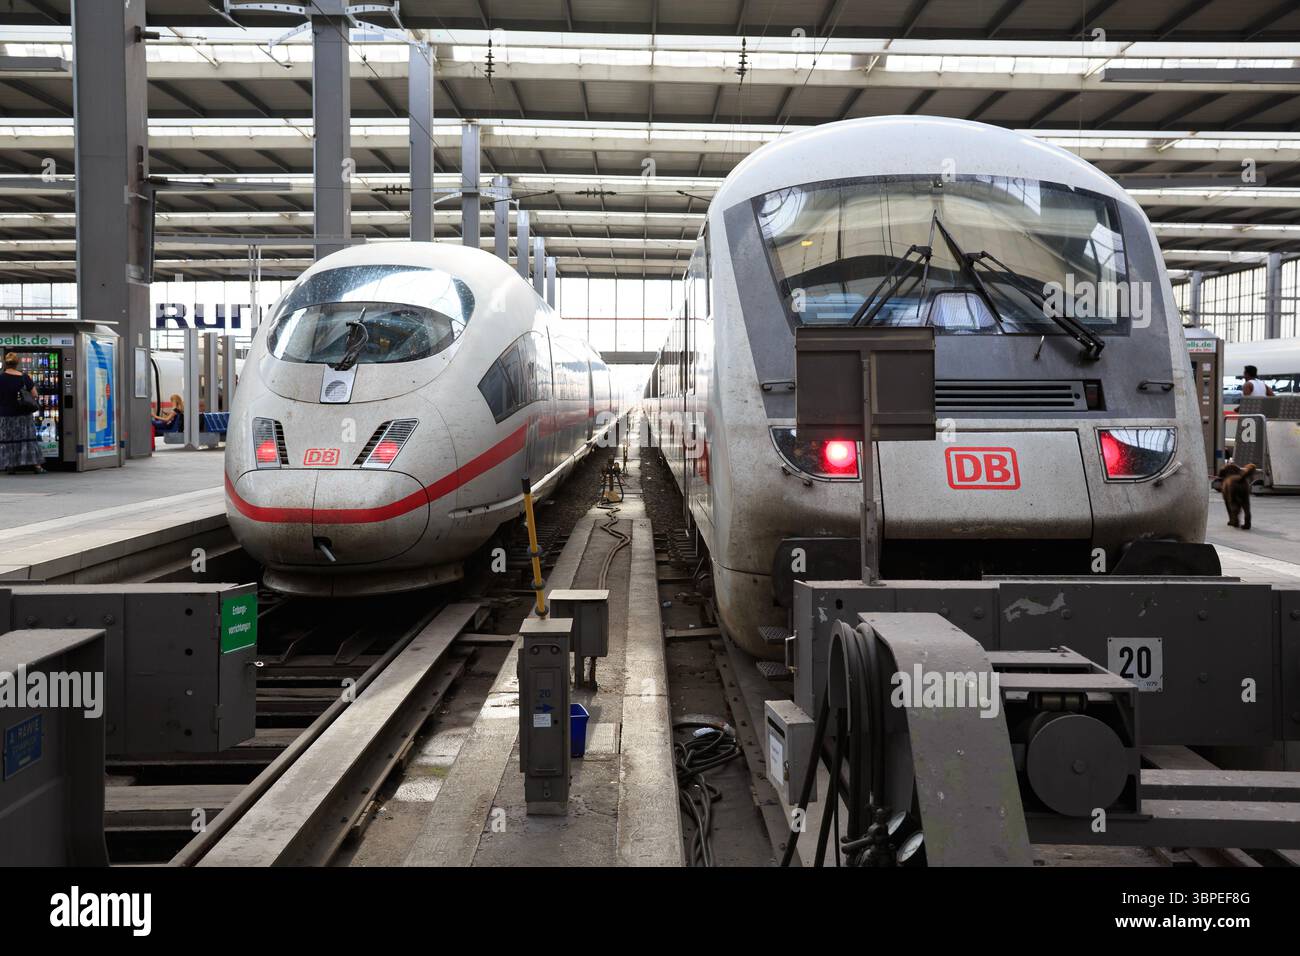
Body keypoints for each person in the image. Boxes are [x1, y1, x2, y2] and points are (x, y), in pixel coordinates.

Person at [0, 352, 46, 475]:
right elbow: (35, 394)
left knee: (9, 440)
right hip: (24, 415)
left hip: (6, 415)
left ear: (6, 363)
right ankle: (37, 466)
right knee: (28, 439)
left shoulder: (1, 378)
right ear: (17, 363)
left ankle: (11, 465)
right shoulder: (24, 377)